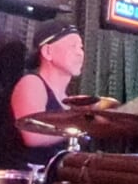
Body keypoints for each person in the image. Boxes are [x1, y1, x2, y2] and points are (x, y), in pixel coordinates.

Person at [6, 18, 85, 162]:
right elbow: (32, 135)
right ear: (47, 51)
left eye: (81, 47)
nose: (80, 53)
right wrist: (82, 126)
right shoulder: (32, 83)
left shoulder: (69, 99)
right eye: (72, 46)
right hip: (31, 174)